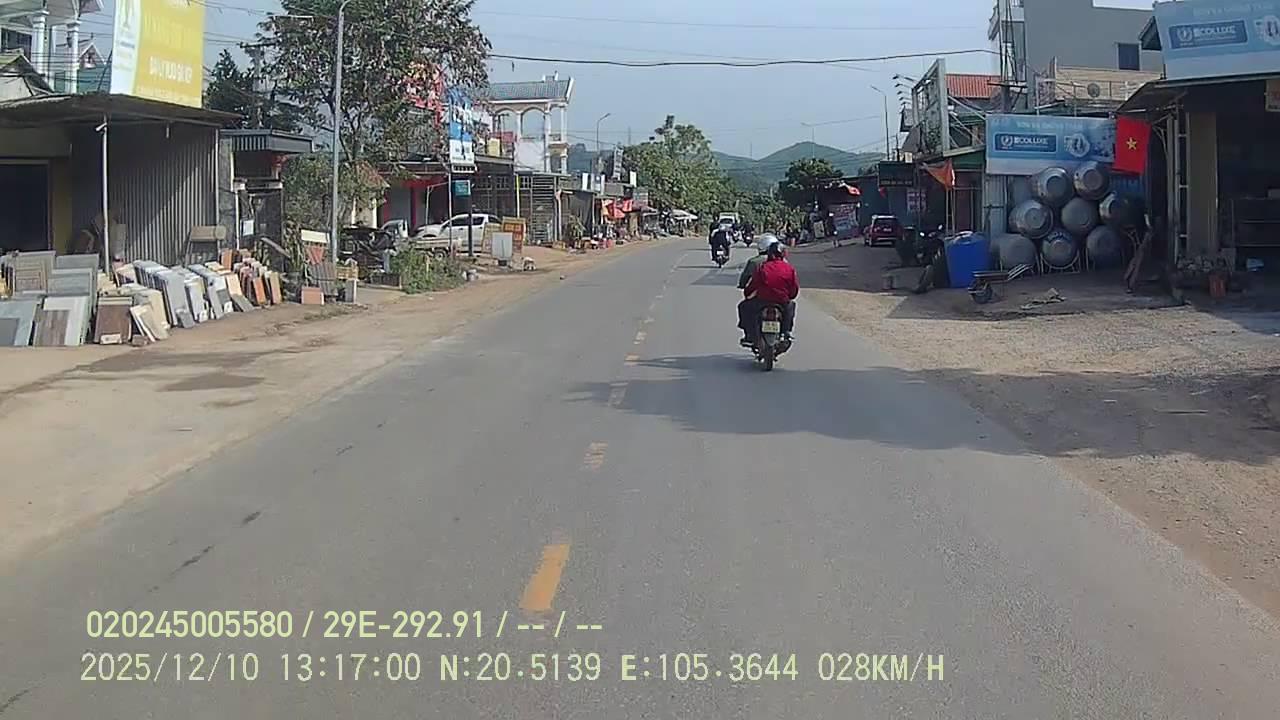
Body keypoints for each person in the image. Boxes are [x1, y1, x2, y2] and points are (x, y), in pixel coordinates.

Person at [738, 239, 799, 345]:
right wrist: (789, 297)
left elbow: (753, 285)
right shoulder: (789, 269)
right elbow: (794, 289)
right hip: (781, 302)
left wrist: (747, 294)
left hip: (762, 301)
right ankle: (786, 332)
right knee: (791, 307)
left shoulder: (762, 267)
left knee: (743, 306)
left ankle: (749, 335)